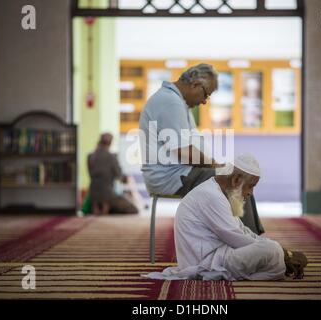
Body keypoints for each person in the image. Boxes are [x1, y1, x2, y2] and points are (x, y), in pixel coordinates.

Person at [139, 63, 264, 234]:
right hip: (173, 178)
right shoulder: (170, 102)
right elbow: (184, 152)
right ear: (195, 85)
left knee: (234, 176)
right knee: (237, 180)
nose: (205, 101)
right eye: (206, 94)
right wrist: (215, 165)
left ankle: (246, 240)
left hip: (180, 174)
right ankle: (251, 244)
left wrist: (216, 165)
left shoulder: (175, 100)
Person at [145, 154, 308, 281]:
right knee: (271, 250)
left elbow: (242, 231)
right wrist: (285, 254)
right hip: (206, 264)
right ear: (237, 179)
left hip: (219, 256)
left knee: (271, 249)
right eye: (251, 186)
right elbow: (237, 238)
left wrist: (282, 252)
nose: (250, 193)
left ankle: (270, 265)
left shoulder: (219, 193)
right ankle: (267, 266)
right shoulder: (211, 196)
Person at [88, 133, 138, 215]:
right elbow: (119, 175)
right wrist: (127, 179)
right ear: (110, 143)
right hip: (108, 194)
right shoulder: (111, 157)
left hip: (93, 193)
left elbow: (90, 174)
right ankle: (106, 211)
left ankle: (99, 211)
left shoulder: (90, 156)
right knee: (133, 209)